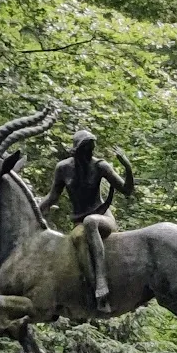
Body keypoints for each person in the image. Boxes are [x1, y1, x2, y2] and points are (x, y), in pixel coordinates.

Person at [36, 129, 134, 313]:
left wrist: (127, 167)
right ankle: (87, 286)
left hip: (103, 220)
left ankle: (101, 283)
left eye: (91, 147)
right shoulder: (63, 168)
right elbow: (52, 197)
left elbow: (127, 190)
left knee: (90, 222)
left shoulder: (100, 166)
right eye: (85, 148)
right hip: (80, 224)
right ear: (77, 150)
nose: (89, 152)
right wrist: (36, 211)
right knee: (80, 233)